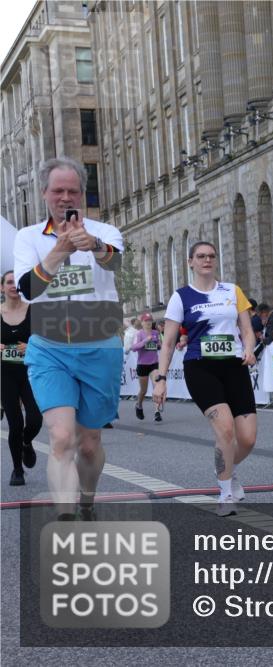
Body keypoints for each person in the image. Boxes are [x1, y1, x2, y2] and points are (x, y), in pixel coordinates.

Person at [12, 156, 125, 520]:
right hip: (50, 348)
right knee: (61, 437)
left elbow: (116, 263)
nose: (65, 197)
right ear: (44, 193)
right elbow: (28, 290)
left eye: (72, 191)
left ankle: (87, 500)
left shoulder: (104, 231)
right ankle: (65, 518)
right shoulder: (27, 237)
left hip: (99, 345)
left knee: (89, 445)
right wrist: (60, 250)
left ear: (82, 194)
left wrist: (91, 244)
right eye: (57, 190)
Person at [153, 241, 258, 517]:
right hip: (201, 368)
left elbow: (247, 329)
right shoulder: (181, 297)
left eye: (211, 256)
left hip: (234, 366)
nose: (206, 260)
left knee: (247, 439)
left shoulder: (233, 291)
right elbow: (168, 342)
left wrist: (248, 349)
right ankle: (224, 494)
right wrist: (161, 378)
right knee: (224, 430)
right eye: (200, 256)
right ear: (191, 262)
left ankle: (227, 468)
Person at [1, 270, 41, 486]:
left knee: (35, 418)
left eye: (16, 282)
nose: (13, 285)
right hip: (5, 374)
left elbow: (44, 336)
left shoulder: (33, 310)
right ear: (2, 287)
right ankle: (17, 470)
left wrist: (31, 346)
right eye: (8, 282)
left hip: (30, 372)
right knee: (15, 424)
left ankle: (27, 442)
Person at [130, 313, 162, 422]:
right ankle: (139, 405)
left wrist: (158, 344)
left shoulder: (156, 333)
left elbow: (159, 345)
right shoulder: (139, 334)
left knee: (156, 387)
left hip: (154, 364)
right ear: (142, 323)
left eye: (150, 320)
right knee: (143, 390)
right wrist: (145, 341)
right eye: (146, 321)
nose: (148, 322)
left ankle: (157, 412)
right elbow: (133, 347)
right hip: (143, 364)